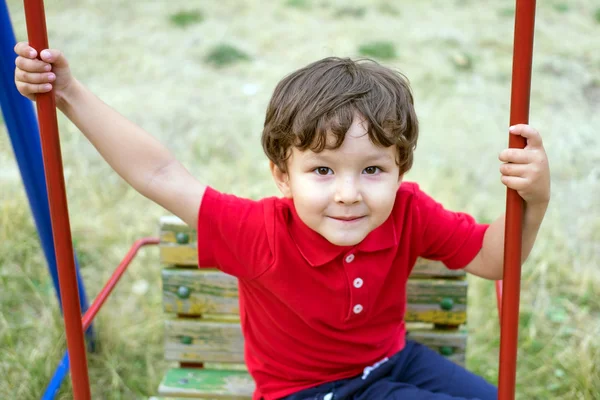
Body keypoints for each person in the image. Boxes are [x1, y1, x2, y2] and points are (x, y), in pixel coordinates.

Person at [14, 42, 550, 400]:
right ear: (282, 175)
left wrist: (534, 201)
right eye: (321, 169)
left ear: (399, 168)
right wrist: (67, 93)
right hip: (313, 392)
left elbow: (492, 259)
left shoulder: (409, 210)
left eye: (372, 169)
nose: (348, 194)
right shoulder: (259, 232)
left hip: (395, 362)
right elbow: (158, 171)